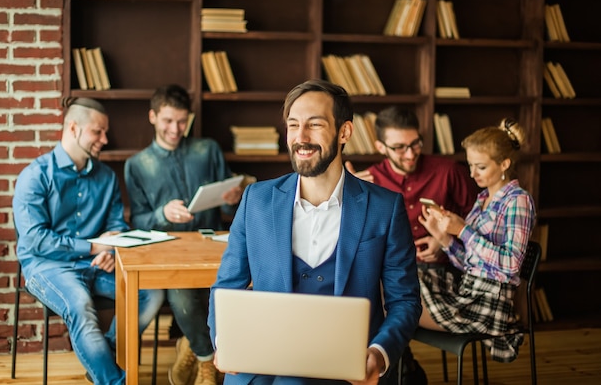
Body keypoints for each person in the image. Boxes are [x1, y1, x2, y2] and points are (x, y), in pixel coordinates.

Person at [207, 79, 422, 385]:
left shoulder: (385, 208)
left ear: (345, 132)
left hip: (346, 371)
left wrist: (378, 353)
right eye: (293, 125)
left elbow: (405, 301)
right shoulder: (255, 199)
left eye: (314, 124)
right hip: (260, 369)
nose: (300, 137)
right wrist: (223, 340)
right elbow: (226, 287)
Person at [12, 97, 164, 385]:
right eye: (98, 131)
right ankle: (114, 380)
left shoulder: (106, 177)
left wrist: (112, 250)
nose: (105, 139)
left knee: (151, 293)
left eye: (105, 132)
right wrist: (95, 246)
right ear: (73, 128)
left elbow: (117, 226)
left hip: (97, 265)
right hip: (47, 266)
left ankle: (100, 356)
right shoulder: (35, 176)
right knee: (81, 306)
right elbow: (34, 240)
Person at [345, 106, 479, 383]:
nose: (410, 153)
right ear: (380, 146)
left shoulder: (448, 171)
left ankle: (398, 370)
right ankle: (400, 368)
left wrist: (445, 241)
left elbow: (480, 224)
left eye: (415, 143)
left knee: (377, 298)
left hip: (445, 275)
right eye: (400, 147)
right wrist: (347, 196)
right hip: (394, 276)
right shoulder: (367, 180)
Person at [124, 84, 243, 385]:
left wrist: (233, 196)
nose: (175, 129)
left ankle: (191, 344)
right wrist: (161, 214)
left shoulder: (208, 149)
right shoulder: (136, 165)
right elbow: (137, 222)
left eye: (181, 121)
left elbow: (230, 195)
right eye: (167, 121)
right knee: (181, 295)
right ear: (152, 117)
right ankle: (206, 359)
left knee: (238, 289)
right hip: (168, 250)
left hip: (214, 245)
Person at [417, 118, 536, 363]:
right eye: (470, 165)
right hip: (467, 289)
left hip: (489, 303)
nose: (472, 174)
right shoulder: (482, 198)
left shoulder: (518, 201)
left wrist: (463, 231)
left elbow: (511, 263)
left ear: (504, 163)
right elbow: (470, 263)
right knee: (393, 278)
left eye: (480, 167)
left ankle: (398, 372)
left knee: (396, 303)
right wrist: (443, 238)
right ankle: (399, 371)